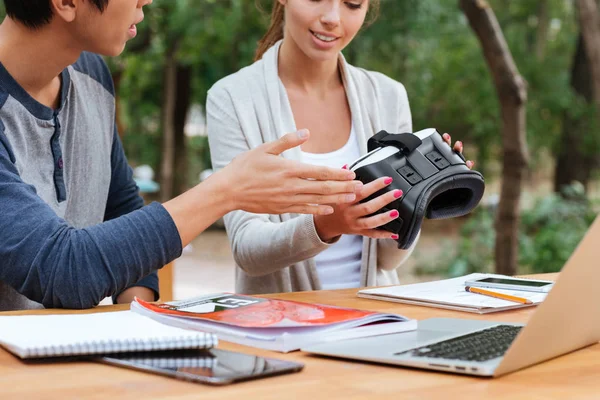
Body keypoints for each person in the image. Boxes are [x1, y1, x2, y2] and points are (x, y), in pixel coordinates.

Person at [0, 0, 362, 311]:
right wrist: (224, 191)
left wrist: (135, 322)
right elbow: (62, 269)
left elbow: (122, 207)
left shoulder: (90, 75)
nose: (146, 1)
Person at [207, 0, 474, 294]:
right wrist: (326, 225)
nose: (332, 18)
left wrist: (425, 196)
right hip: (279, 330)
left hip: (372, 321)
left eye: (352, 4)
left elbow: (386, 261)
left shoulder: (387, 95)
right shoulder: (232, 99)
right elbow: (247, 251)